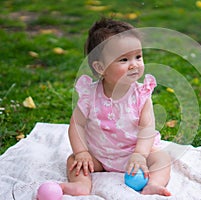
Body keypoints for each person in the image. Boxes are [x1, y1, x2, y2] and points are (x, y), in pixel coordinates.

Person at [60, 17, 171, 196]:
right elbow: (77, 124)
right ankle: (81, 186)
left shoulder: (141, 95)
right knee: (74, 160)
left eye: (138, 56)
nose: (134, 64)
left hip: (134, 154)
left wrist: (140, 155)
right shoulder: (89, 95)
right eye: (124, 60)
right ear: (100, 67)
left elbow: (147, 129)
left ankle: (154, 184)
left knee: (162, 158)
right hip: (100, 155)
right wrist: (81, 152)